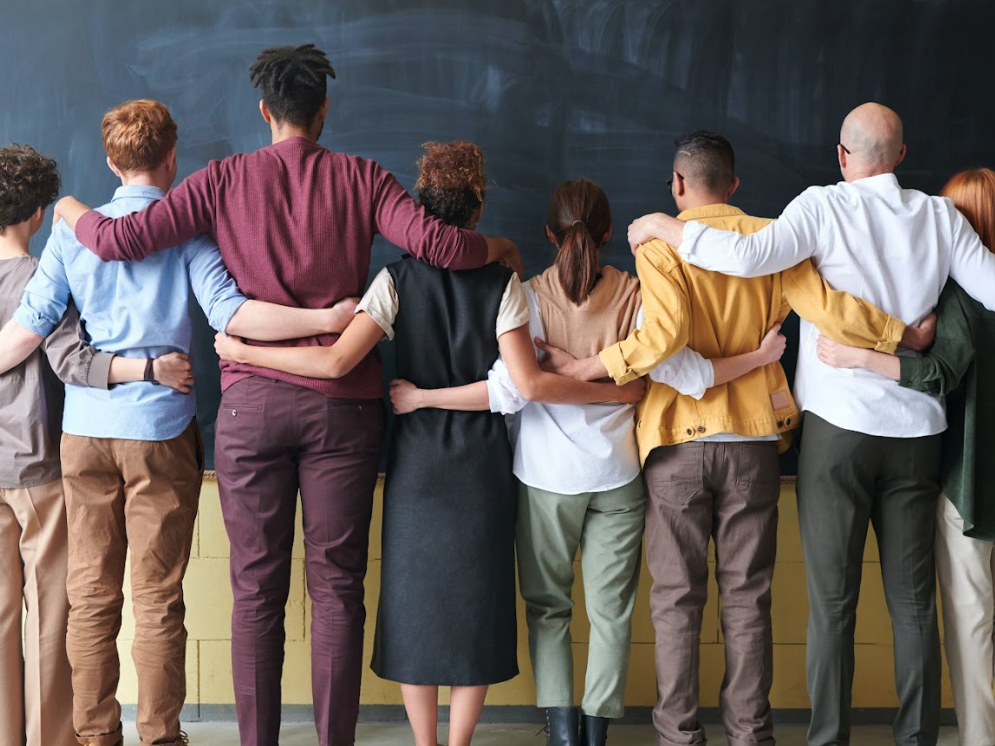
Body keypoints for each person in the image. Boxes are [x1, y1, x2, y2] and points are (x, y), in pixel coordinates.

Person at [52, 45, 522, 746]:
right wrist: (504, 247)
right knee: (337, 590)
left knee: (256, 593)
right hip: (343, 413)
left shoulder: (221, 180)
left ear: (265, 112)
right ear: (323, 111)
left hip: (252, 410)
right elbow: (443, 248)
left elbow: (122, 240)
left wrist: (66, 207)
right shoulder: (362, 179)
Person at [215, 142, 644, 746]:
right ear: (477, 209)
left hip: (417, 464)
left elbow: (337, 360)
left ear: (418, 207)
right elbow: (523, 384)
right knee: (477, 609)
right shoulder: (507, 284)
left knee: (412, 606)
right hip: (482, 465)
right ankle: (460, 742)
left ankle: (425, 742)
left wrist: (243, 351)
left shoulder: (394, 279)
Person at [538, 130, 926, 746]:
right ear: (736, 185)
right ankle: (750, 734)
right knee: (748, 599)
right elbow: (828, 308)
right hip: (752, 441)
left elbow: (661, 340)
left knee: (675, 602)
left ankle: (678, 735)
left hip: (676, 444)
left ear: (678, 185)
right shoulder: (774, 238)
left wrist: (589, 366)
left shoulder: (661, 248)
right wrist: (899, 333)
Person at [625, 105, 995, 746]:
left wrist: (666, 224)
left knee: (832, 605)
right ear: (902, 157)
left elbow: (745, 256)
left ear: (842, 155)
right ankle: (916, 741)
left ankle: (828, 740)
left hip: (838, 432)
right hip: (918, 435)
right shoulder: (939, 217)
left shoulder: (822, 206)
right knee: (912, 606)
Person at [387, 175, 790, 746]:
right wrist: (617, 386)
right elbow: (670, 376)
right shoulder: (637, 292)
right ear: (607, 233)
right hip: (619, 477)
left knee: (548, 610)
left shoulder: (523, 295)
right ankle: (597, 732)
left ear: (550, 234)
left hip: (544, 480)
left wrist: (557, 373)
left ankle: (561, 734)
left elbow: (509, 391)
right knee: (612, 614)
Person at [8, 100, 358, 746]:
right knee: (157, 596)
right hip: (162, 431)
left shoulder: (69, 237)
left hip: (84, 432)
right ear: (172, 159)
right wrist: (328, 319)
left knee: (90, 596)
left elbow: (27, 333)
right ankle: (161, 735)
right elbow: (235, 315)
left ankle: (94, 735)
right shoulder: (190, 233)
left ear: (112, 162)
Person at [0, 144, 191, 746]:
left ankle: (37, 735)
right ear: (36, 211)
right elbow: (66, 357)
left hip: (48, 453)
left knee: (17, 615)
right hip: (37, 462)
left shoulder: (55, 254)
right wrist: (149, 370)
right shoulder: (42, 268)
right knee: (62, 610)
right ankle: (72, 736)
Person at [816, 167, 995, 746]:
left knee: (838, 607)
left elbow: (938, 367)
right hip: (921, 448)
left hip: (866, 440)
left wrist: (864, 355)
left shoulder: (959, 300)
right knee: (914, 605)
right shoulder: (959, 267)